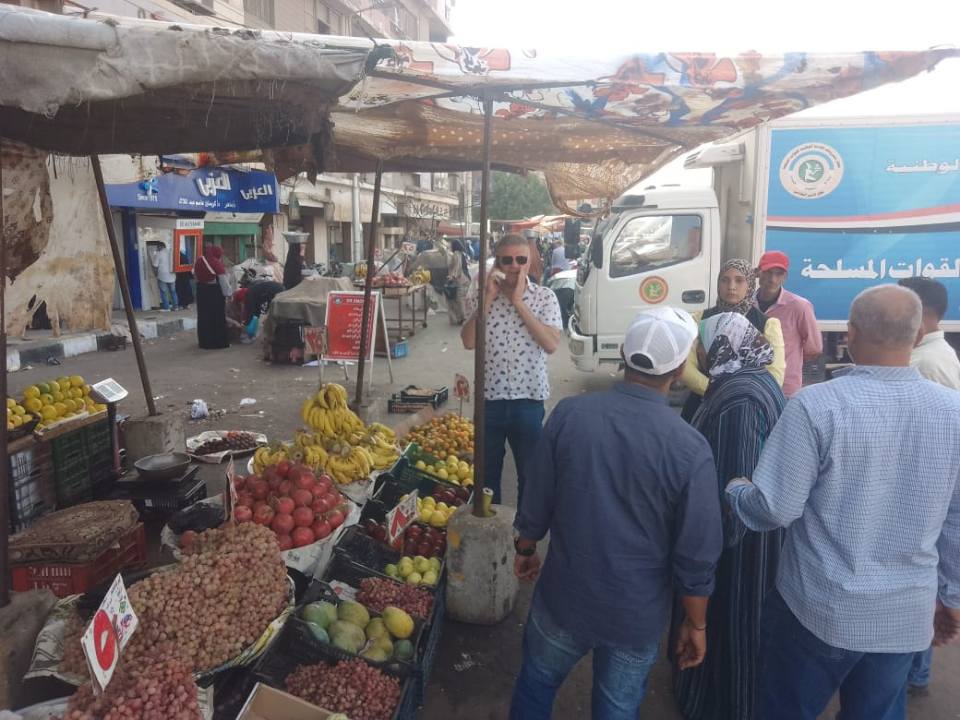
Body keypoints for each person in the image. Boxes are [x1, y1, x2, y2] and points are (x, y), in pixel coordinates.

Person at [725, 285, 960, 720]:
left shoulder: (818, 406)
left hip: (818, 608)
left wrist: (738, 491)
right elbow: (957, 518)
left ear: (850, 333)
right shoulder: (954, 412)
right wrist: (952, 594)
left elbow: (776, 508)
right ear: (916, 334)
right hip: (903, 618)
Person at [510, 307, 723, 720]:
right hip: (635, 616)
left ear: (624, 353)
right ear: (679, 369)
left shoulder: (571, 414)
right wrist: (696, 625)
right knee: (616, 709)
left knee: (535, 686)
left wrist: (525, 546)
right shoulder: (690, 448)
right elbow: (697, 553)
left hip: (563, 599)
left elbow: (537, 495)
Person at [672, 312, 785, 720]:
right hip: (740, 536)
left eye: (700, 343)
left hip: (737, 546)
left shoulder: (740, 398)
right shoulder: (747, 381)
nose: (697, 353)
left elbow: (737, 482)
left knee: (732, 630)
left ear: (720, 345)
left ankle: (726, 707)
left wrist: (710, 555)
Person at [461, 234, 562, 505]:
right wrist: (488, 299)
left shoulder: (544, 297)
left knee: (530, 475)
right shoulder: (482, 297)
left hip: (527, 401)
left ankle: (523, 536)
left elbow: (551, 344)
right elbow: (469, 341)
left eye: (521, 259)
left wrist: (519, 302)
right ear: (497, 263)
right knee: (486, 476)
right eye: (507, 260)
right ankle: (491, 531)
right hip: (489, 401)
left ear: (530, 262)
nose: (514, 266)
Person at [895, 277, 960, 697]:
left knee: (923, 585)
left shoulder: (927, 365)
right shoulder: (932, 354)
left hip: (925, 488)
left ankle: (913, 670)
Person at [681, 259, 785, 420]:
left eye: (739, 280)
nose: (731, 286)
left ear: (750, 283)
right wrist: (716, 391)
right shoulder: (700, 318)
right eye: (725, 280)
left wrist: (740, 395)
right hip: (701, 406)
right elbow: (686, 367)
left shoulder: (767, 324)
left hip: (748, 409)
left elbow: (775, 374)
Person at [753, 251, 822, 397]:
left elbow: (814, 348)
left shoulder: (799, 306)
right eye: (768, 272)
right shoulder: (746, 305)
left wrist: (789, 362)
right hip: (752, 385)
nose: (772, 279)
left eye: (779, 274)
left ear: (785, 277)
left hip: (784, 389)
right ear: (759, 273)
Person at [194, 244, 230, 349]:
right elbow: (224, 282)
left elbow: (195, 276)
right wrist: (228, 294)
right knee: (217, 318)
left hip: (201, 292)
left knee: (203, 318)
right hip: (214, 294)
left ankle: (205, 342)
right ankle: (219, 342)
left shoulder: (199, 261)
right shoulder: (216, 263)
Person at [445, 239, 471, 325]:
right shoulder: (462, 253)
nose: (450, 246)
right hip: (466, 278)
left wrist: (453, 276)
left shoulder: (456, 254)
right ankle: (461, 317)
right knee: (462, 298)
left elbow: (457, 267)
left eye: (451, 245)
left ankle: (463, 318)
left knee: (460, 299)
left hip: (461, 279)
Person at [150, 240, 178, 311]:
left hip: (162, 276)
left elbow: (155, 266)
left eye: (157, 247)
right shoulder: (171, 253)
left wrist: (155, 274)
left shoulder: (158, 254)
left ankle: (166, 308)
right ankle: (176, 307)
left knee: (164, 292)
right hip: (172, 275)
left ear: (160, 246)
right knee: (173, 291)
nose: (156, 248)